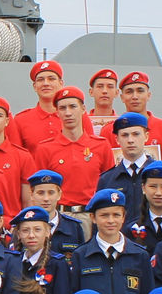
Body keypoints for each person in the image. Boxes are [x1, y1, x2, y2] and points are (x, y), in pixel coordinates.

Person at [33, 87, 113, 215]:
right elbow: (40, 189)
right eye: (62, 108)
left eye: (72, 106)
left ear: (83, 109)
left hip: (92, 214)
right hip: (60, 215)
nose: (68, 113)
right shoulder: (45, 149)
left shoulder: (101, 145)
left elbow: (110, 184)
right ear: (57, 112)